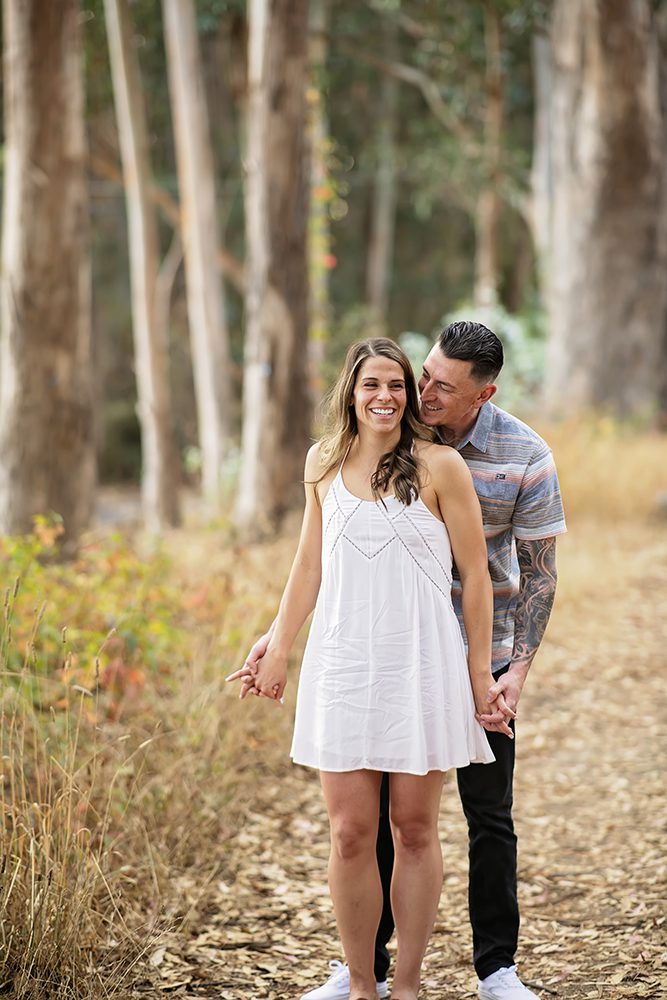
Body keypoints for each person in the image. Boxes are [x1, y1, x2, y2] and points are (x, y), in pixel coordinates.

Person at [233, 322, 566, 1000]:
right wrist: (277, 642)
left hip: (436, 659)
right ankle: (362, 979)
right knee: (353, 831)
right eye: (375, 384)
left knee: (440, 825)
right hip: (347, 661)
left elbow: (494, 576)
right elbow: (307, 563)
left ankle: (460, 975)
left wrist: (492, 674)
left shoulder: (467, 462)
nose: (396, 394)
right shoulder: (322, 461)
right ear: (352, 393)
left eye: (403, 385)